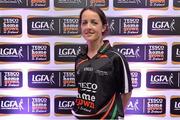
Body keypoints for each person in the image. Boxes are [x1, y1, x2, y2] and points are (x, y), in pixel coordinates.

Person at [71, 6, 133, 119]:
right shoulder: (79, 58)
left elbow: (126, 93)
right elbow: (82, 90)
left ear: (103, 27)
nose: (88, 27)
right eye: (84, 23)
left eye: (94, 22)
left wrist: (113, 114)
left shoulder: (115, 57)